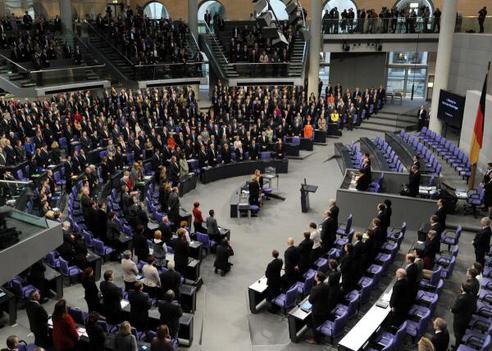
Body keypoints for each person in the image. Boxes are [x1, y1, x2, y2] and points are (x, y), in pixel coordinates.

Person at [451, 281, 477, 348]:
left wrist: (451, 309)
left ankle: (457, 347)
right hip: (467, 317)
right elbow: (474, 307)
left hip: (459, 321)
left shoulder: (461, 298)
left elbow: (454, 309)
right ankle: (458, 345)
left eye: (461, 286)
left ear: (463, 288)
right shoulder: (472, 295)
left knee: (458, 335)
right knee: (461, 333)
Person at [307, 272, 331, 344]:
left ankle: (316, 339)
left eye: (315, 276)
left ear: (317, 278)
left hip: (317, 310)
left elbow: (311, 301)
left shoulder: (315, 289)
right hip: (325, 307)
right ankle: (322, 334)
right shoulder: (327, 286)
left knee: (315, 325)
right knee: (322, 321)